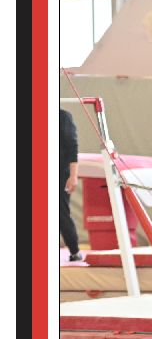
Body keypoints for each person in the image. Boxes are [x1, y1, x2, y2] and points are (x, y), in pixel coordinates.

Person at [60, 108, 83, 261]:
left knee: (61, 212)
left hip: (60, 172)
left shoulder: (62, 117)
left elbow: (72, 146)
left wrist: (73, 175)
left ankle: (74, 250)